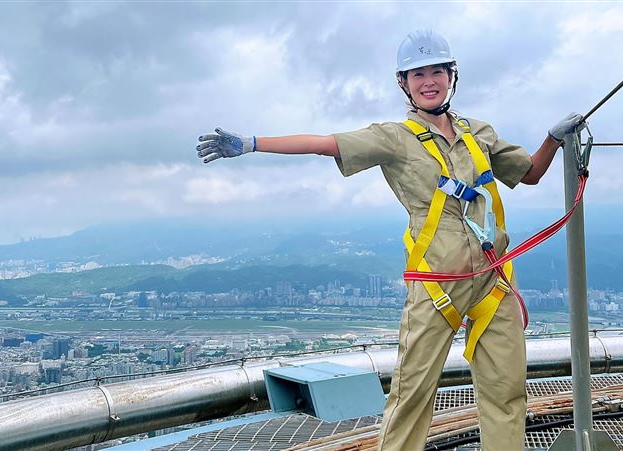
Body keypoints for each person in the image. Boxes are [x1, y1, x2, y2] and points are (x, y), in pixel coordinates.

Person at [196, 29, 582, 451]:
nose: (429, 81)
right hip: (438, 285)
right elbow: (325, 144)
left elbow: (529, 174)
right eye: (418, 74)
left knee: (507, 390)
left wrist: (553, 139)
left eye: (437, 71)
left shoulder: (479, 133)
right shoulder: (393, 138)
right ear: (404, 83)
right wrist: (252, 144)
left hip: (494, 280)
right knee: (412, 394)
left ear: (452, 76)